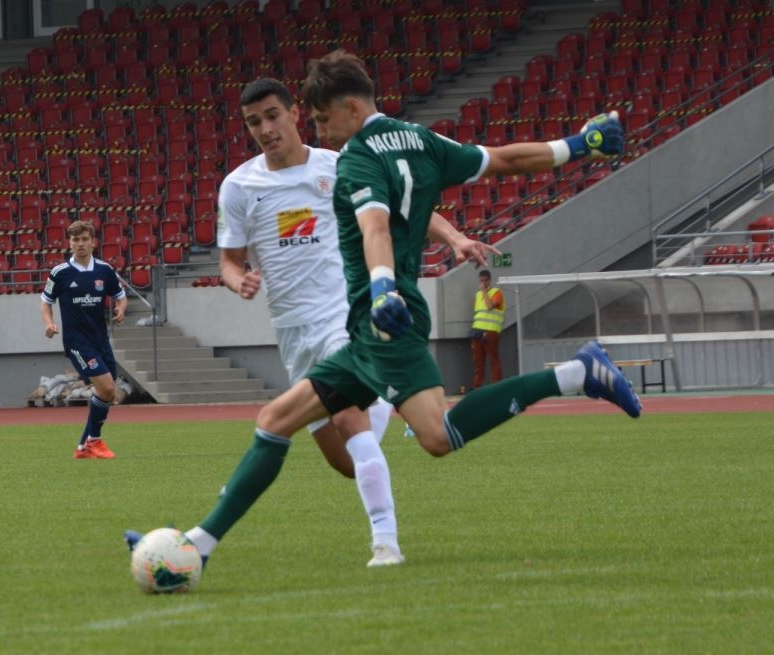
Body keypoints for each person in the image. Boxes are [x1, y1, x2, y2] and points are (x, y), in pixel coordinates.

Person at [126, 49, 640, 575]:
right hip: (362, 323)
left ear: (349, 108)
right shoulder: (421, 139)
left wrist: (383, 290)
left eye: (322, 119)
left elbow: (374, 228)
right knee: (276, 421)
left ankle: (574, 374)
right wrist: (579, 144)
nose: (321, 131)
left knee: (436, 435)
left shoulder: (354, 160)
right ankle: (198, 545)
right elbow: (505, 159)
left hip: (380, 318)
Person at [41, 220, 127, 459]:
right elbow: (46, 302)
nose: (80, 244)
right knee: (107, 388)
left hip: (100, 339)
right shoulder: (60, 272)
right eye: (75, 240)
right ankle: (94, 441)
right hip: (77, 342)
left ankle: (83, 447)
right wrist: (49, 323)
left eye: (84, 239)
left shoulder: (104, 270)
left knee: (107, 392)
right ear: (69, 243)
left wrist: (121, 309)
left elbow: (121, 296)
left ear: (93, 242)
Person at [470, 268, 505, 388]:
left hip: (491, 330)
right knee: (478, 361)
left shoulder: (496, 292)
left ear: (490, 280)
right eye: (481, 280)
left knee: (493, 359)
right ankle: (477, 386)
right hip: (477, 330)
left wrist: (484, 291)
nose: (483, 283)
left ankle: (497, 385)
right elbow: (477, 312)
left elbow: (489, 306)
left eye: (485, 280)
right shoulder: (478, 294)